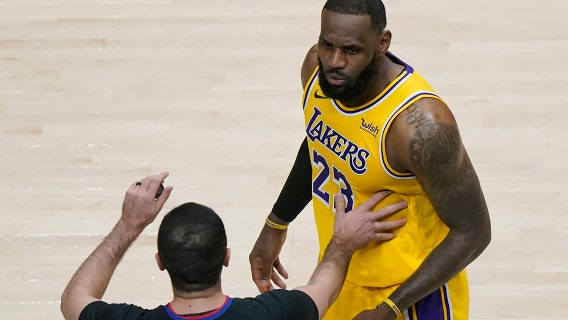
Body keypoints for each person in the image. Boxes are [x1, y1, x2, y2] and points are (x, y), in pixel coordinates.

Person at [248, 0, 492, 319]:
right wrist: (276, 222)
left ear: (382, 43)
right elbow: (319, 143)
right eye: (327, 44)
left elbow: (474, 232)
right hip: (338, 273)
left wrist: (389, 309)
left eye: (351, 50)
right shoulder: (316, 71)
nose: (334, 61)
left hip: (412, 295)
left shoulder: (419, 128)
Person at [60, 172, 407, 320]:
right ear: (226, 258)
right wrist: (344, 242)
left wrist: (128, 224)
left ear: (160, 262)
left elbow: (74, 299)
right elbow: (324, 288)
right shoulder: (274, 313)